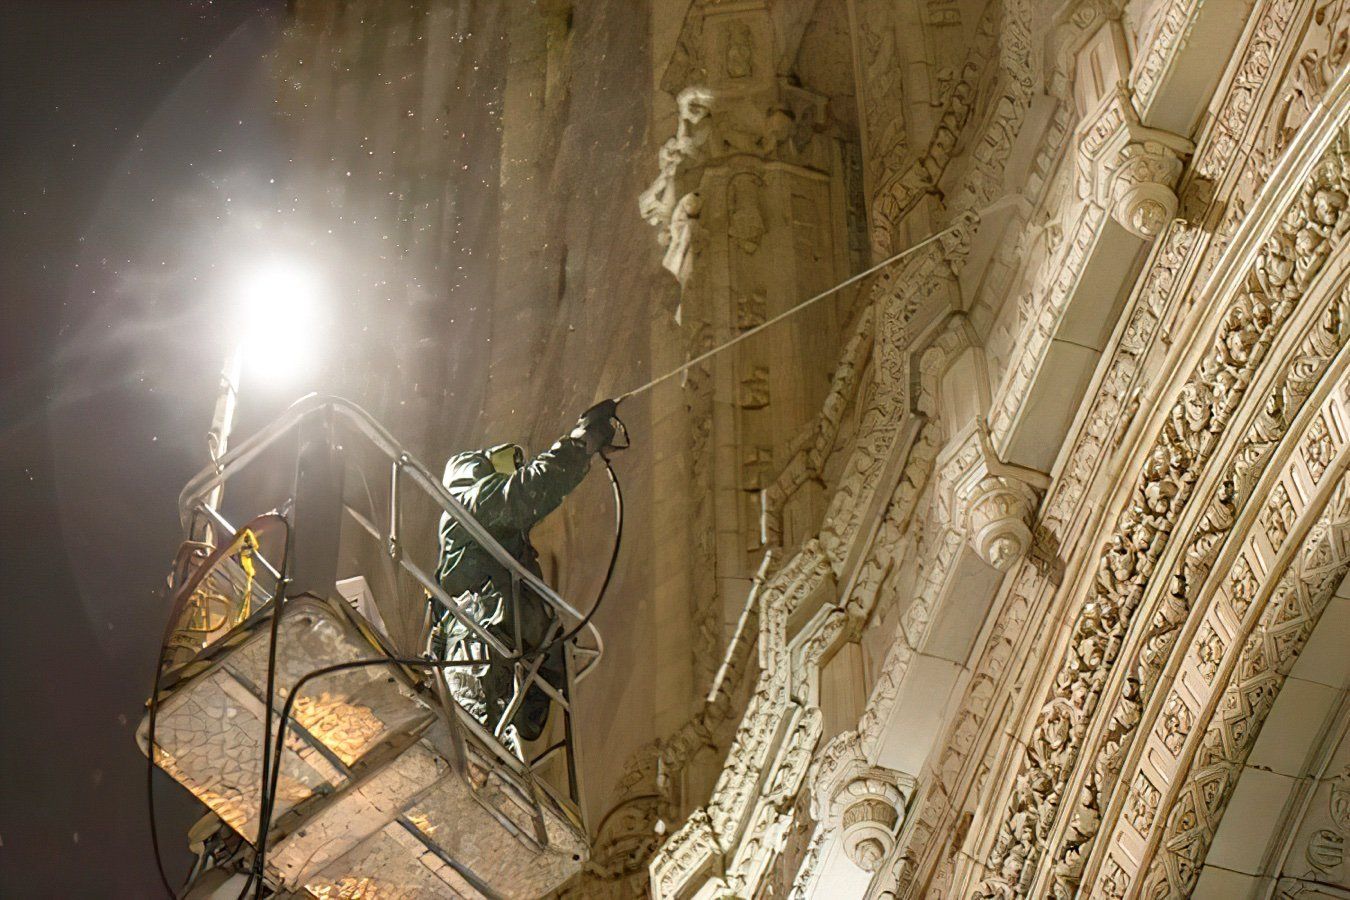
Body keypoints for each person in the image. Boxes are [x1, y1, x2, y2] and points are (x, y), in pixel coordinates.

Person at [431, 400, 618, 748]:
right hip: (480, 644)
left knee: (496, 748)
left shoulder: (493, 541)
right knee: (474, 750)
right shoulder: (470, 501)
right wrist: (580, 442)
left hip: (497, 641)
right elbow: (525, 491)